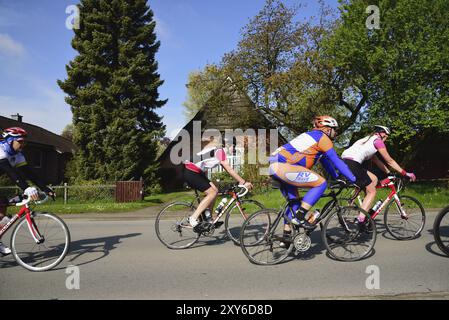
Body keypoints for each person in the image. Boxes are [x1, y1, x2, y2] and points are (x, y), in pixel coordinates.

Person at [269, 116, 356, 243]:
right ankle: (300, 216)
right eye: (334, 129)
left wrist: (337, 178)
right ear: (327, 129)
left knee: (294, 202)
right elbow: (336, 160)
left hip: (275, 167)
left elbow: (327, 162)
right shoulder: (322, 138)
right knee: (321, 183)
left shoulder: (312, 139)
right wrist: (353, 178)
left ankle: (286, 237)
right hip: (283, 167)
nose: (336, 132)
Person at [341, 125, 416, 224]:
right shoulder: (377, 141)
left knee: (374, 179)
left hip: (343, 162)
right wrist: (405, 173)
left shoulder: (366, 140)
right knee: (372, 192)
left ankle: (357, 200)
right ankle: (361, 219)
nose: (386, 139)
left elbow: (377, 161)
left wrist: (389, 173)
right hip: (353, 164)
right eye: (386, 136)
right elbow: (389, 160)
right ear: (381, 134)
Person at [0, 127, 55, 256]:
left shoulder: (17, 155)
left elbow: (30, 174)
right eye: (20, 141)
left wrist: (45, 189)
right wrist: (26, 188)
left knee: (2, 210)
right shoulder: (1, 150)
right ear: (9, 141)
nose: (23, 144)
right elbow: (11, 172)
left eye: (25, 142)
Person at [183, 136, 253, 233]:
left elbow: (212, 166)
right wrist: (243, 182)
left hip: (196, 172)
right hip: (191, 171)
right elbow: (229, 169)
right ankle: (193, 218)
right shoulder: (220, 152)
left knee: (214, 190)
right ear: (228, 145)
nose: (234, 149)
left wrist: (239, 181)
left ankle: (208, 218)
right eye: (234, 146)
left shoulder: (218, 152)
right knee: (212, 193)